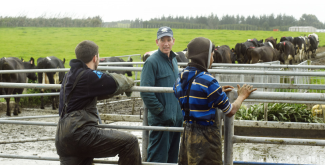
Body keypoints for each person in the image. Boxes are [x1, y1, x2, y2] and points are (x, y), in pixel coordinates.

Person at [55, 40, 141, 165]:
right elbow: (116, 82)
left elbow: (86, 95)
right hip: (81, 135)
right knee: (130, 142)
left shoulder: (69, 75)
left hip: (63, 138)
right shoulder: (88, 76)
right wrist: (130, 81)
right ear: (95, 58)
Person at [173, 37, 257, 165]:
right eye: (212, 55)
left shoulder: (180, 77)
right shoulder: (208, 81)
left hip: (187, 134)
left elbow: (188, 93)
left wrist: (215, 93)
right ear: (205, 57)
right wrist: (241, 96)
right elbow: (230, 110)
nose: (213, 59)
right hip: (206, 138)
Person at [140, 26, 183, 163]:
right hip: (161, 121)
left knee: (172, 159)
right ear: (156, 42)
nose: (166, 43)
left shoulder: (174, 60)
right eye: (162, 40)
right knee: (158, 158)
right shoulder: (152, 62)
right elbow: (145, 92)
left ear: (173, 41)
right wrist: (161, 112)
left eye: (169, 40)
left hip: (176, 120)